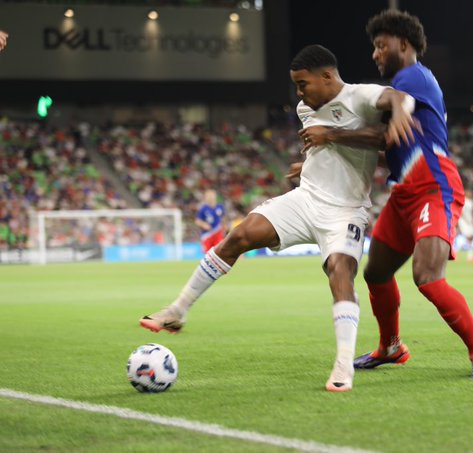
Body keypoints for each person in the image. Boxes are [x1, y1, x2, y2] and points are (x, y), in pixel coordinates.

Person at [139, 44, 418, 392]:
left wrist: (389, 114)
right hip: (305, 198)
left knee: (340, 273)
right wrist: (312, 161)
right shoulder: (306, 108)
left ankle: (343, 364)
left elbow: (400, 100)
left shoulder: (361, 96)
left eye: (303, 84)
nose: (299, 93)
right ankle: (177, 310)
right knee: (240, 236)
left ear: (327, 76)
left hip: (345, 211)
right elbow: (332, 149)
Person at [303, 10, 473, 378]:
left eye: (381, 46)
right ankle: (390, 346)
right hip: (404, 192)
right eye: (374, 48)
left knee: (427, 276)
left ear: (403, 45)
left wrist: (330, 136)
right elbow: (388, 147)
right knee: (376, 274)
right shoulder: (403, 88)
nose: (375, 54)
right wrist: (318, 163)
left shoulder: (413, 77)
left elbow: (384, 136)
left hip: (432, 185)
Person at [458, 195, 473, 263]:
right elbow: (460, 212)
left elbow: (471, 213)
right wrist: (466, 220)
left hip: (469, 221)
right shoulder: (463, 202)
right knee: (469, 238)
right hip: (463, 222)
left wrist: (472, 221)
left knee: (470, 238)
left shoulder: (470, 202)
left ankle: (457, 252)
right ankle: (470, 257)